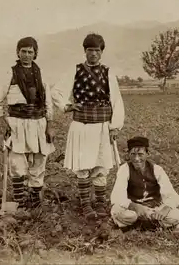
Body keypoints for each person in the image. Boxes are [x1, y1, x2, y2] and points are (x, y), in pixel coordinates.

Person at [51, 33, 125, 220]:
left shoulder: (108, 73)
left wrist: (115, 126)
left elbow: (116, 100)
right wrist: (67, 106)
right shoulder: (75, 71)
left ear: (102, 53)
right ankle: (85, 204)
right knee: (83, 166)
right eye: (90, 50)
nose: (93, 54)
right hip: (82, 126)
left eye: (97, 50)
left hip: (102, 126)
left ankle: (100, 203)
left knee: (101, 165)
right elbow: (56, 92)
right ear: (84, 51)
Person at [0, 36, 55, 209]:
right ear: (18, 53)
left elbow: (48, 102)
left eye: (30, 52)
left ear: (35, 54)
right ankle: (19, 202)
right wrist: (4, 123)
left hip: (38, 123)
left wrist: (50, 125)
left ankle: (34, 202)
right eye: (23, 51)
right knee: (17, 163)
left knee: (39, 161)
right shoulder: (10, 74)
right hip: (17, 123)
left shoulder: (41, 75)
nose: (27, 55)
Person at [109, 136, 179, 229]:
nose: (136, 158)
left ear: (147, 154)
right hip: (133, 209)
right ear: (128, 154)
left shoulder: (157, 170)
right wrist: (134, 206)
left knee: (176, 215)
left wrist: (165, 208)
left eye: (140, 154)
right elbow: (117, 196)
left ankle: (138, 224)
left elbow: (171, 194)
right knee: (119, 211)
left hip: (153, 209)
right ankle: (150, 224)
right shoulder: (124, 169)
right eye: (133, 154)